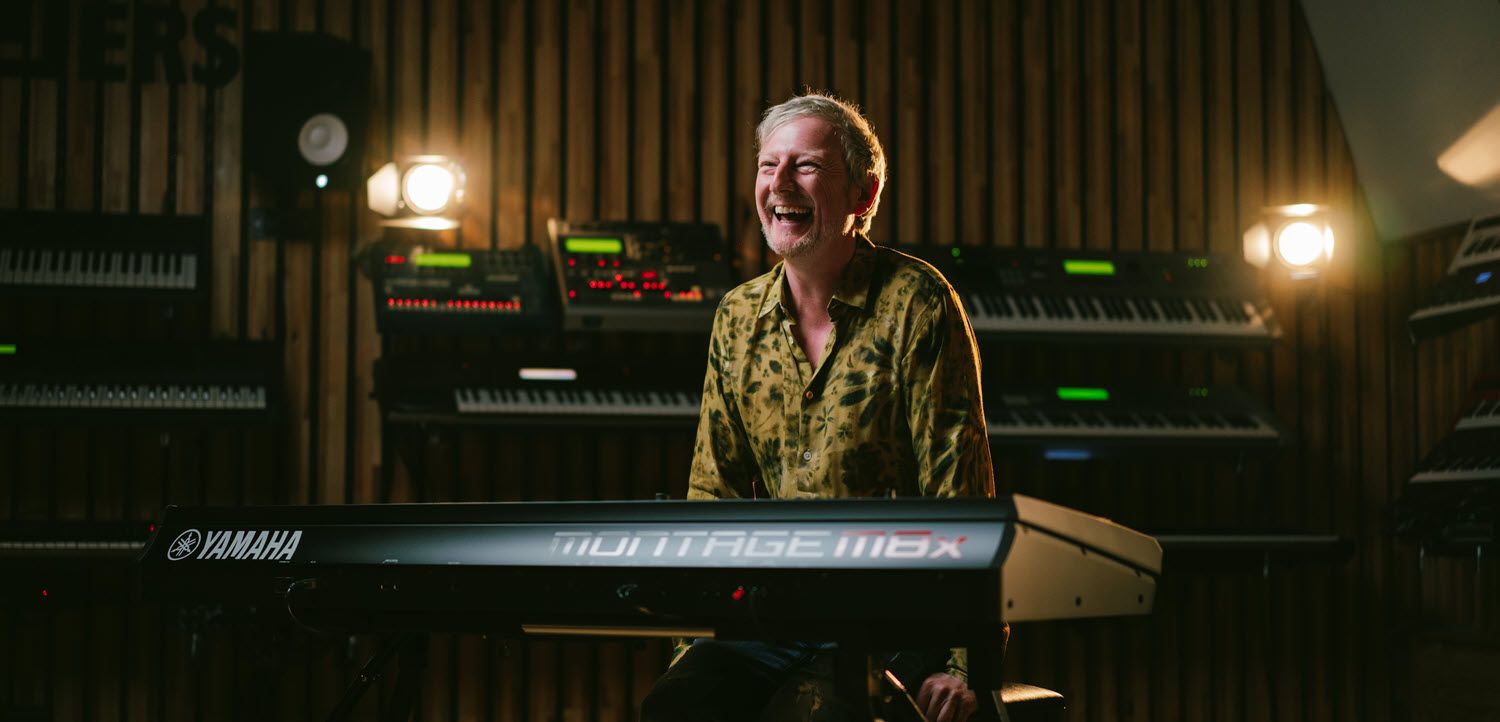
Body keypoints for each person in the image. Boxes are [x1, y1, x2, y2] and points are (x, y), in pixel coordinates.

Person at [640, 93, 994, 722]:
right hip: (774, 614)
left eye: (805, 166)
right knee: (676, 707)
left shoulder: (919, 302)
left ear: (864, 195)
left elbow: (959, 490)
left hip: (893, 618)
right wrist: (692, 645)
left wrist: (965, 664)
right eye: (768, 165)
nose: (779, 183)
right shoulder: (736, 315)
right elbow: (712, 490)